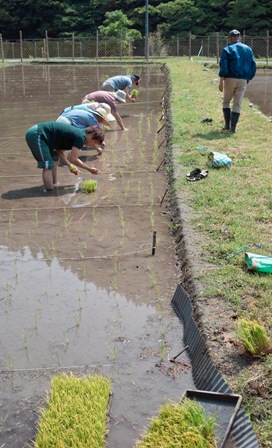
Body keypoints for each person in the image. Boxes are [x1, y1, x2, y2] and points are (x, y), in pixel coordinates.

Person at [25, 122, 104, 191]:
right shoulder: (81, 137)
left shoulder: (79, 135)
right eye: (94, 142)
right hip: (38, 134)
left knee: (54, 159)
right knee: (48, 165)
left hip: (44, 137)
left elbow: (59, 151)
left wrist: (70, 165)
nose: (92, 145)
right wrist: (89, 169)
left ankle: (54, 184)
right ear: (91, 134)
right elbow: (73, 159)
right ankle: (50, 193)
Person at [219, 29, 256, 133]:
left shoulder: (227, 49)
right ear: (239, 38)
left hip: (230, 78)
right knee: (237, 103)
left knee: (226, 101)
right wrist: (248, 77)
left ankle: (227, 125)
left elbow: (224, 67)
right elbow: (253, 65)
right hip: (243, 79)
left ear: (230, 38)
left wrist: (221, 81)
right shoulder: (248, 49)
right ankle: (233, 129)